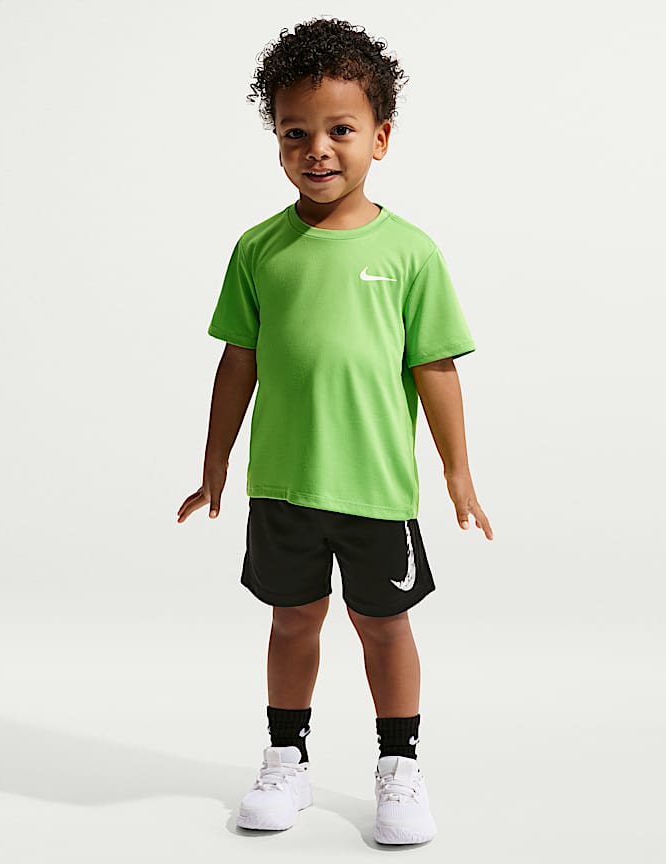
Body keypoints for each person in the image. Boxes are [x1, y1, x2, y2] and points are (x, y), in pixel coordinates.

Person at [177, 17, 493, 846]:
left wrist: (458, 474)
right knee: (291, 622)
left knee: (385, 626)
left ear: (380, 138)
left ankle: (400, 767)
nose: (316, 149)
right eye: (295, 132)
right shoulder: (259, 250)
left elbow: (435, 368)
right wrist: (215, 464)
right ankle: (286, 759)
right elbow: (237, 363)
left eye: (340, 130)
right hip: (284, 484)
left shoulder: (412, 253)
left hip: (375, 489)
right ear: (277, 141)